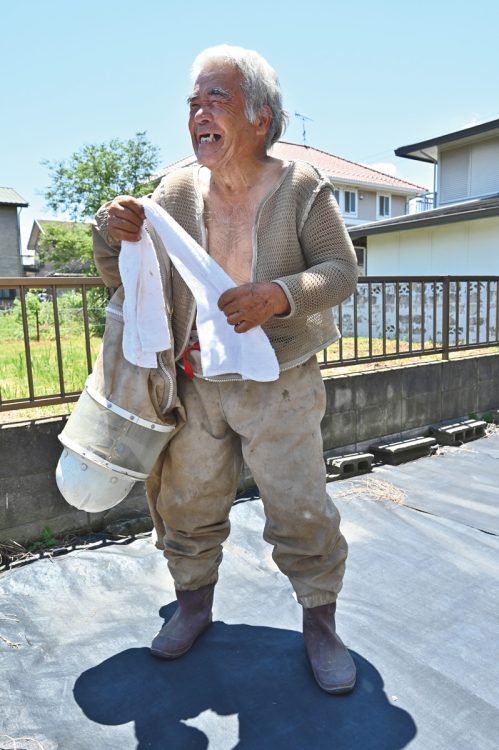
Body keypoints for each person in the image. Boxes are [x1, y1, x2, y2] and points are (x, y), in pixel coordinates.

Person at [93, 45, 359, 694]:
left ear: (261, 117)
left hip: (281, 379)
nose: (198, 113)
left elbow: (339, 271)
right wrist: (112, 236)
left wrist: (278, 293)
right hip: (196, 380)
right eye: (193, 103)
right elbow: (133, 285)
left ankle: (320, 625)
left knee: (299, 506)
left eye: (216, 99)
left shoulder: (300, 186)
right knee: (186, 502)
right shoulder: (175, 190)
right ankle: (192, 606)